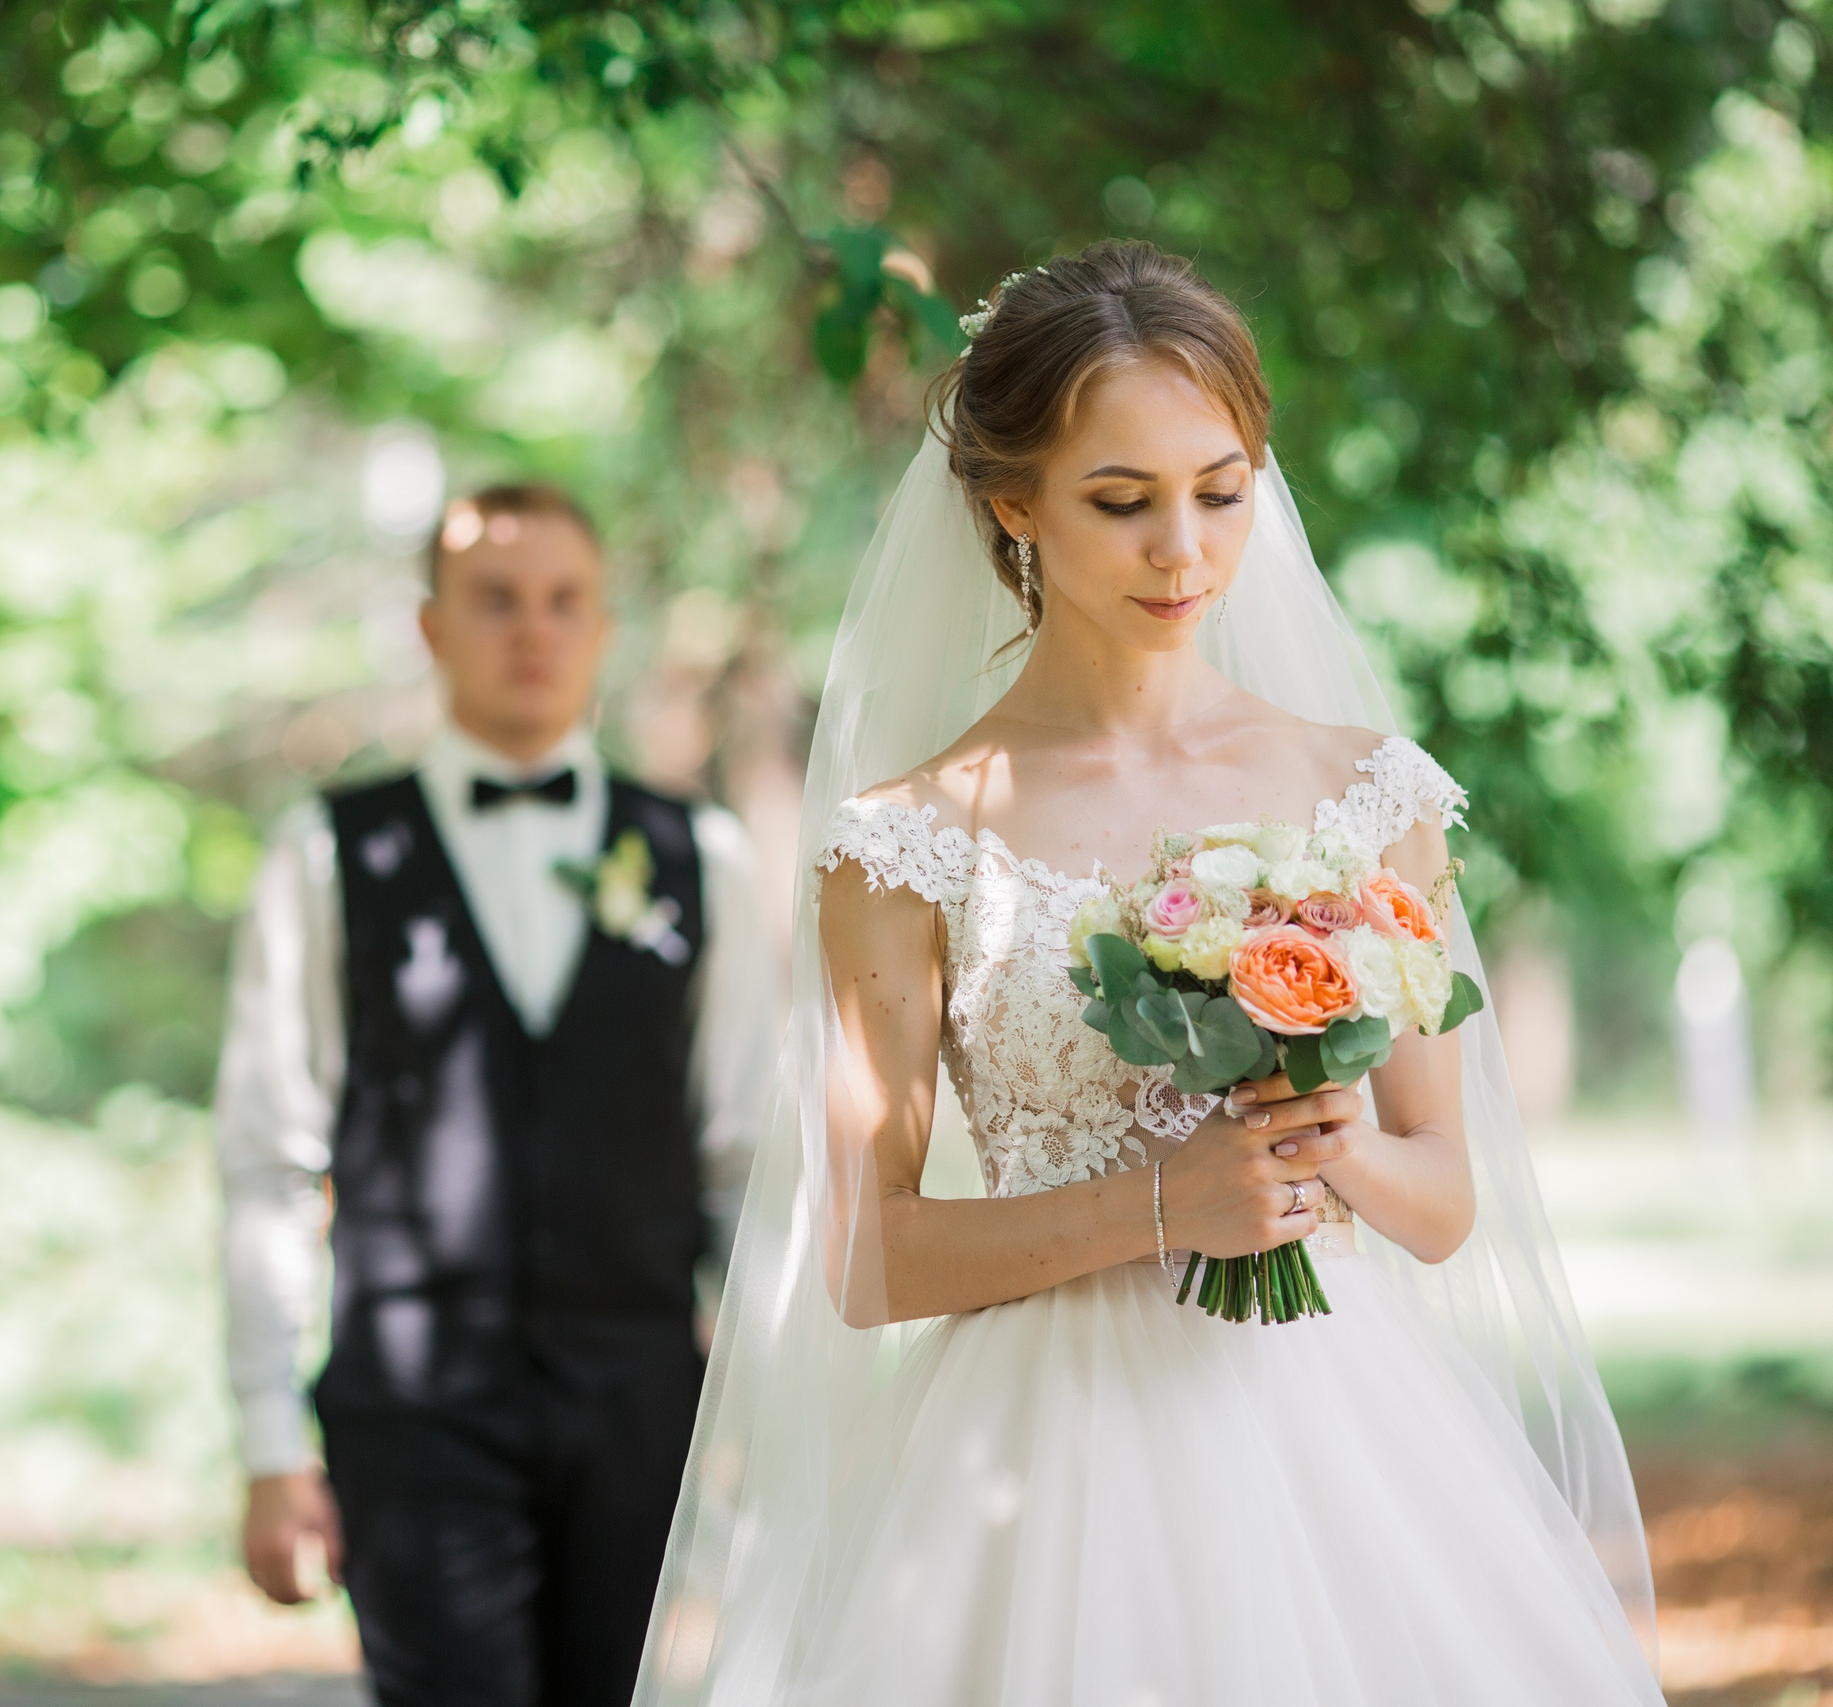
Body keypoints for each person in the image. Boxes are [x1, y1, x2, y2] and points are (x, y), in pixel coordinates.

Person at [632, 244, 1664, 1705]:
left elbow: (1442, 1202)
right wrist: (1164, 1203)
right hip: (1039, 1463)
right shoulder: (909, 844)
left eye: (1220, 489)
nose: (1183, 548)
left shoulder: (1369, 794)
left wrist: (1335, 1142)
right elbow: (870, 1257)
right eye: (1121, 502)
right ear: (1013, 506)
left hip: (1338, 1437)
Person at [215, 482, 774, 1707]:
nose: (532, 630)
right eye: (495, 601)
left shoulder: (702, 858)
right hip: (410, 1407)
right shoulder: (326, 855)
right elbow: (268, 1158)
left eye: (563, 601)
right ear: (432, 627)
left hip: (639, 1406)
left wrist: (759, 1417)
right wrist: (269, 1446)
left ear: (603, 627)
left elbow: (743, 1159)